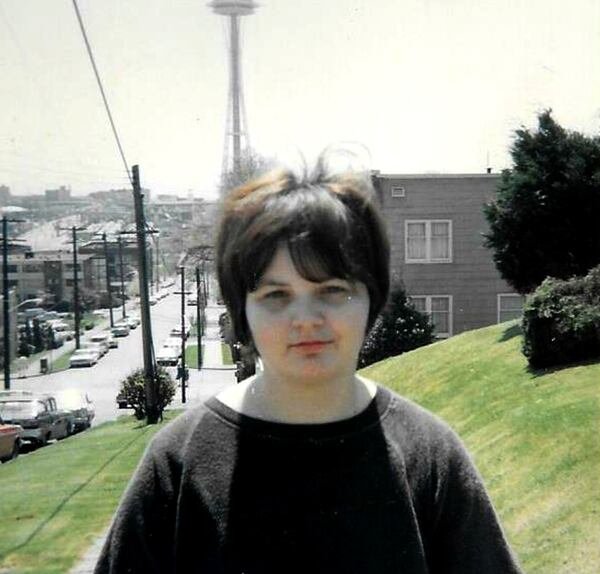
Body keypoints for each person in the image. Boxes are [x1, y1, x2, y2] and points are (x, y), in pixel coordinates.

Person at [95, 154, 523, 573]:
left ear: (372, 296)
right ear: (242, 311)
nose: (306, 320)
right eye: (276, 296)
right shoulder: (177, 465)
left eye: (333, 290)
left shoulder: (430, 456)